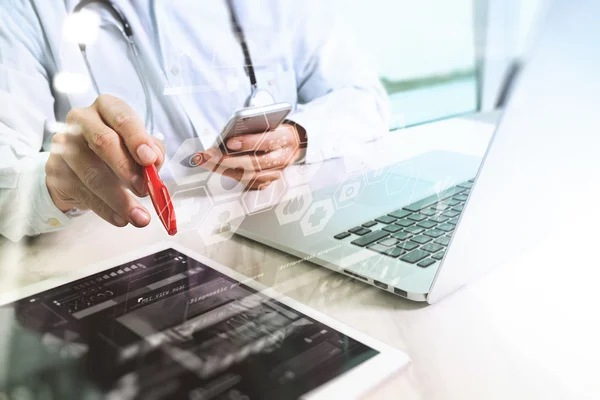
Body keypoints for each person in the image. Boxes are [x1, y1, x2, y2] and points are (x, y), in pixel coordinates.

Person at [0, 0, 390, 242]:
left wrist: (298, 136)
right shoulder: (26, 11)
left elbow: (363, 96)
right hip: (130, 263)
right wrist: (58, 185)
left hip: (281, 238)